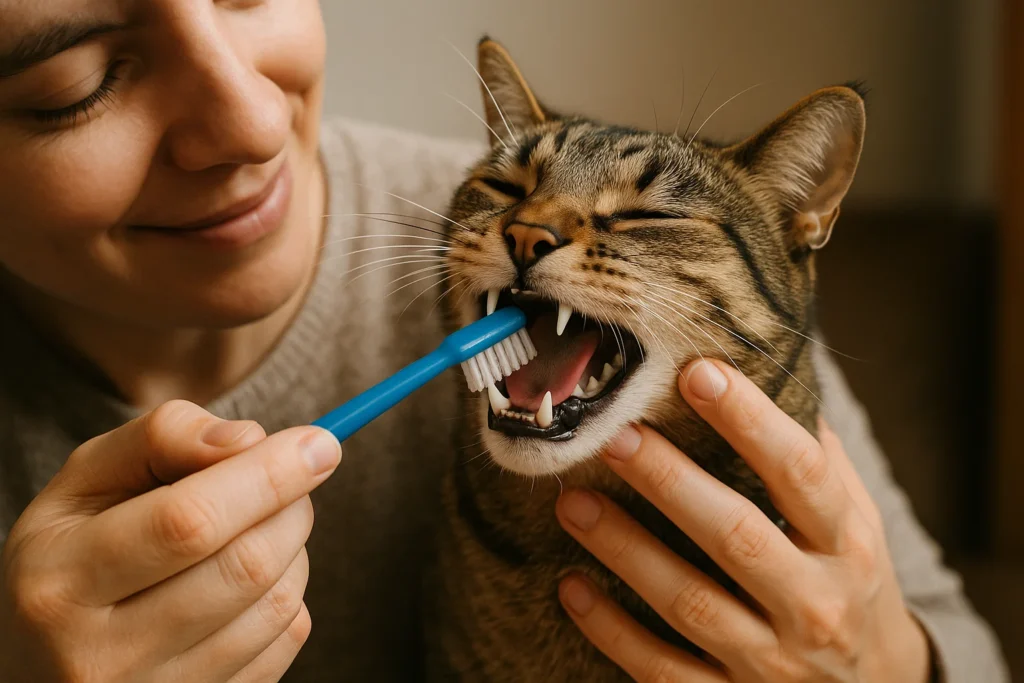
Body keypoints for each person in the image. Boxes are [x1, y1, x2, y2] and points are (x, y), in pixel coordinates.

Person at [0, 2, 1008, 681]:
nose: (252, 123)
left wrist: (887, 662)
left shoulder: (731, 322)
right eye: (73, 83)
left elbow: (962, 643)